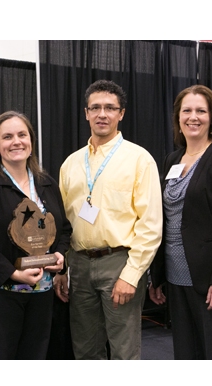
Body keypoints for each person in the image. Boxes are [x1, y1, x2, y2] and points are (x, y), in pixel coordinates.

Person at [56, 80, 163, 360]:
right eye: (96, 107)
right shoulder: (70, 164)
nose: (102, 114)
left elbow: (150, 225)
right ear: (86, 113)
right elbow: (65, 223)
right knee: (85, 350)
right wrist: (64, 270)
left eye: (110, 108)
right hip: (78, 265)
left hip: (119, 264)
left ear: (121, 113)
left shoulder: (139, 160)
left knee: (123, 351)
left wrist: (131, 275)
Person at [149, 85, 212, 359]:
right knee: (186, 353)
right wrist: (156, 277)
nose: (193, 117)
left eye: (201, 111)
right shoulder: (173, 159)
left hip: (210, 279)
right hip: (175, 277)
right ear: (178, 118)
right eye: (187, 111)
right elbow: (165, 220)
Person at [0, 111, 72, 359]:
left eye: (22, 135)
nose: (16, 142)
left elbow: (64, 229)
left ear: (31, 142)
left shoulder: (46, 183)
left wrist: (59, 255)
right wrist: (13, 273)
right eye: (8, 137)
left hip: (41, 295)